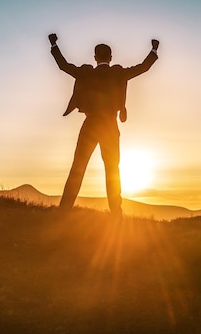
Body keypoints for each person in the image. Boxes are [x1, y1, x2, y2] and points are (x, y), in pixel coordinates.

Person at [49, 33, 159, 215]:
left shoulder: (86, 73)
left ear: (94, 57)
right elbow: (143, 68)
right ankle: (116, 212)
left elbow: (63, 65)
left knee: (78, 167)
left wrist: (54, 45)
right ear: (110, 57)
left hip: (90, 125)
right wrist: (154, 49)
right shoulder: (119, 73)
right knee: (112, 170)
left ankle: (64, 210)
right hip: (110, 126)